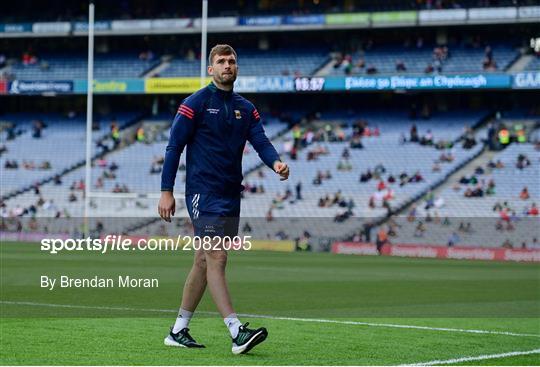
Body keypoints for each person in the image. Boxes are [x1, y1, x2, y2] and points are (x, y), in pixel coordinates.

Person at [158, 45, 289, 354]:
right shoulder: (195, 104)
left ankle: (178, 330)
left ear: (237, 69)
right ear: (210, 69)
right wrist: (166, 190)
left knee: (203, 261)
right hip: (204, 192)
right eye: (221, 61)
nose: (227, 65)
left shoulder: (247, 107)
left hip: (232, 193)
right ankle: (236, 331)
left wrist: (276, 163)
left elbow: (261, 141)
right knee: (217, 257)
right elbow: (173, 147)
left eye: (231, 61)